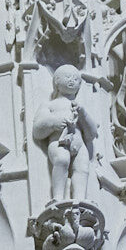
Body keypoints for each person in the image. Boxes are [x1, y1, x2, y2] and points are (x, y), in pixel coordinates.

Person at [32, 64, 98, 202]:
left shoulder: (79, 106)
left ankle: (80, 199)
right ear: (56, 81)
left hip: (79, 145)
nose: (71, 80)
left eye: (75, 79)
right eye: (67, 77)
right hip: (59, 142)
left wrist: (83, 114)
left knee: (82, 168)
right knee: (62, 160)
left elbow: (92, 133)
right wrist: (54, 123)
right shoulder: (50, 105)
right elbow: (37, 130)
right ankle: (57, 197)